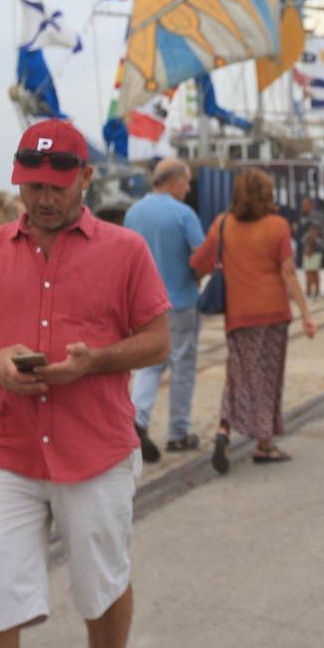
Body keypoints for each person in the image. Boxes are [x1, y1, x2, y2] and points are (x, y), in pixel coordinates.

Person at [0, 119, 171, 648]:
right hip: (5, 451)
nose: (43, 199)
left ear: (85, 178)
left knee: (102, 589)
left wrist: (95, 362)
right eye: (33, 186)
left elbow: (158, 341)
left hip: (95, 450)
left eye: (56, 187)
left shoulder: (127, 250)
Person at [192, 168, 316, 473]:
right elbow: (288, 272)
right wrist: (306, 314)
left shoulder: (222, 224)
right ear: (267, 194)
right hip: (273, 314)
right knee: (267, 377)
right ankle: (264, 443)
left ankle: (224, 429)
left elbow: (199, 264)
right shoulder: (278, 225)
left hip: (239, 316)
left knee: (238, 374)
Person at [124, 158, 206, 463]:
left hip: (145, 305)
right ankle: (178, 432)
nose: (188, 189)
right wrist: (199, 277)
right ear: (174, 181)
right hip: (181, 301)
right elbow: (201, 255)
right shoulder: (184, 214)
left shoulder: (133, 213)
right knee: (182, 365)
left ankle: (138, 418)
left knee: (149, 364)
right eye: (187, 182)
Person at [295, 197, 324, 301]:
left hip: (313, 247)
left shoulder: (314, 216)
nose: (303, 207)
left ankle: (310, 294)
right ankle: (315, 294)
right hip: (311, 247)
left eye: (305, 205)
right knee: (312, 271)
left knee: (310, 271)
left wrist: (310, 247)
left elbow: (313, 232)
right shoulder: (306, 216)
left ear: (311, 205)